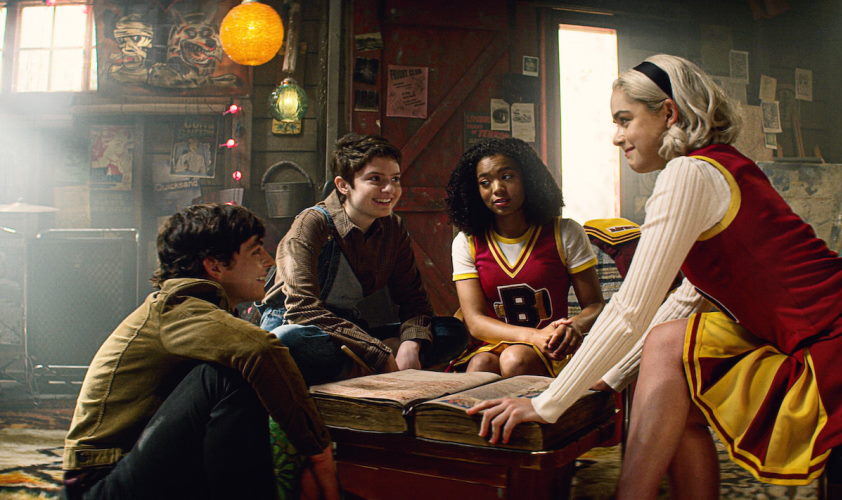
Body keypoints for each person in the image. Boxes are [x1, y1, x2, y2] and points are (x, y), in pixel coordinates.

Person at [468, 54, 842, 498]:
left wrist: (550, 402)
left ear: (669, 114)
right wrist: (610, 377)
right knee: (674, 361)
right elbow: (689, 296)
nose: (617, 137)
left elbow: (631, 308)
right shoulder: (719, 164)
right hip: (822, 331)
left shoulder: (689, 172)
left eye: (625, 120)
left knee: (667, 343)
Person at [63, 204, 339, 500]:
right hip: (99, 484)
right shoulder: (178, 306)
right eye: (255, 251)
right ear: (215, 266)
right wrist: (318, 452)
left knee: (248, 366)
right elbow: (261, 348)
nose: (268, 261)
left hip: (138, 470)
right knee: (230, 375)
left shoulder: (202, 311)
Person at [260, 133, 468, 385]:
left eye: (395, 179)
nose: (390, 190)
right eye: (375, 179)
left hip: (351, 330)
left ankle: (359, 366)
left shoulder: (393, 228)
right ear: (343, 185)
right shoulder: (312, 224)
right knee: (290, 341)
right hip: (300, 325)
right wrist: (378, 351)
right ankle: (370, 363)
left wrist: (411, 343)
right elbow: (302, 309)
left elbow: (414, 302)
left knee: (451, 331)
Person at [445, 138, 604, 377]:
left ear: (528, 179)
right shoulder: (467, 242)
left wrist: (575, 327)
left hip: (552, 346)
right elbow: (475, 321)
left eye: (507, 176)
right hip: (495, 344)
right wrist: (532, 336)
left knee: (515, 359)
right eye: (485, 182)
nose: (497, 188)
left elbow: (595, 305)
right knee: (481, 365)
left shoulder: (564, 232)